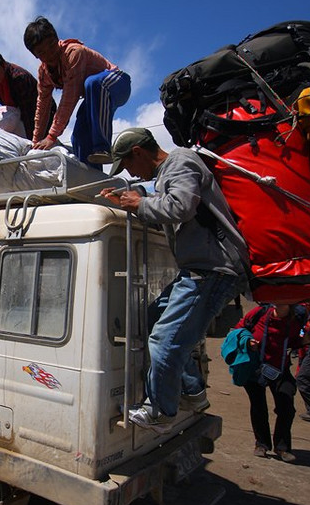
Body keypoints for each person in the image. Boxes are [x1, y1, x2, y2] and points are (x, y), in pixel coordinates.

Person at [99, 128, 247, 433]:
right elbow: (170, 202)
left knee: (163, 343)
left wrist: (138, 204)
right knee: (151, 321)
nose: (130, 173)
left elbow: (180, 206)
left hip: (212, 269)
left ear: (138, 152)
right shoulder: (171, 170)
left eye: (127, 165)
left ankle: (160, 411)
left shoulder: (180, 162)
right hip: (198, 269)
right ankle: (192, 393)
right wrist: (135, 199)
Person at [23, 16, 131, 167]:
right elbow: (42, 106)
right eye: (42, 52)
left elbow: (69, 97)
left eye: (51, 45)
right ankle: (94, 180)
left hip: (116, 84)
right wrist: (35, 141)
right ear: (35, 55)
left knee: (92, 83)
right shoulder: (44, 73)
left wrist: (52, 136)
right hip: (94, 99)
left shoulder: (74, 53)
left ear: (56, 39)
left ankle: (102, 148)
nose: (50, 54)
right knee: (79, 136)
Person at [239, 303, 302, 462]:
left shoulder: (297, 318)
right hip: (255, 368)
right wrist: (248, 341)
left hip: (280, 370)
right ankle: (261, 444)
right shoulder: (259, 313)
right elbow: (238, 331)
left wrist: (304, 341)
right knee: (258, 406)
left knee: (287, 407)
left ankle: (282, 448)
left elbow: (294, 341)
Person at [0, 48, 54, 139]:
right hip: (20, 112)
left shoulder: (19, 78)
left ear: (3, 64)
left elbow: (28, 111)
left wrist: (32, 139)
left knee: (42, 143)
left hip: (44, 112)